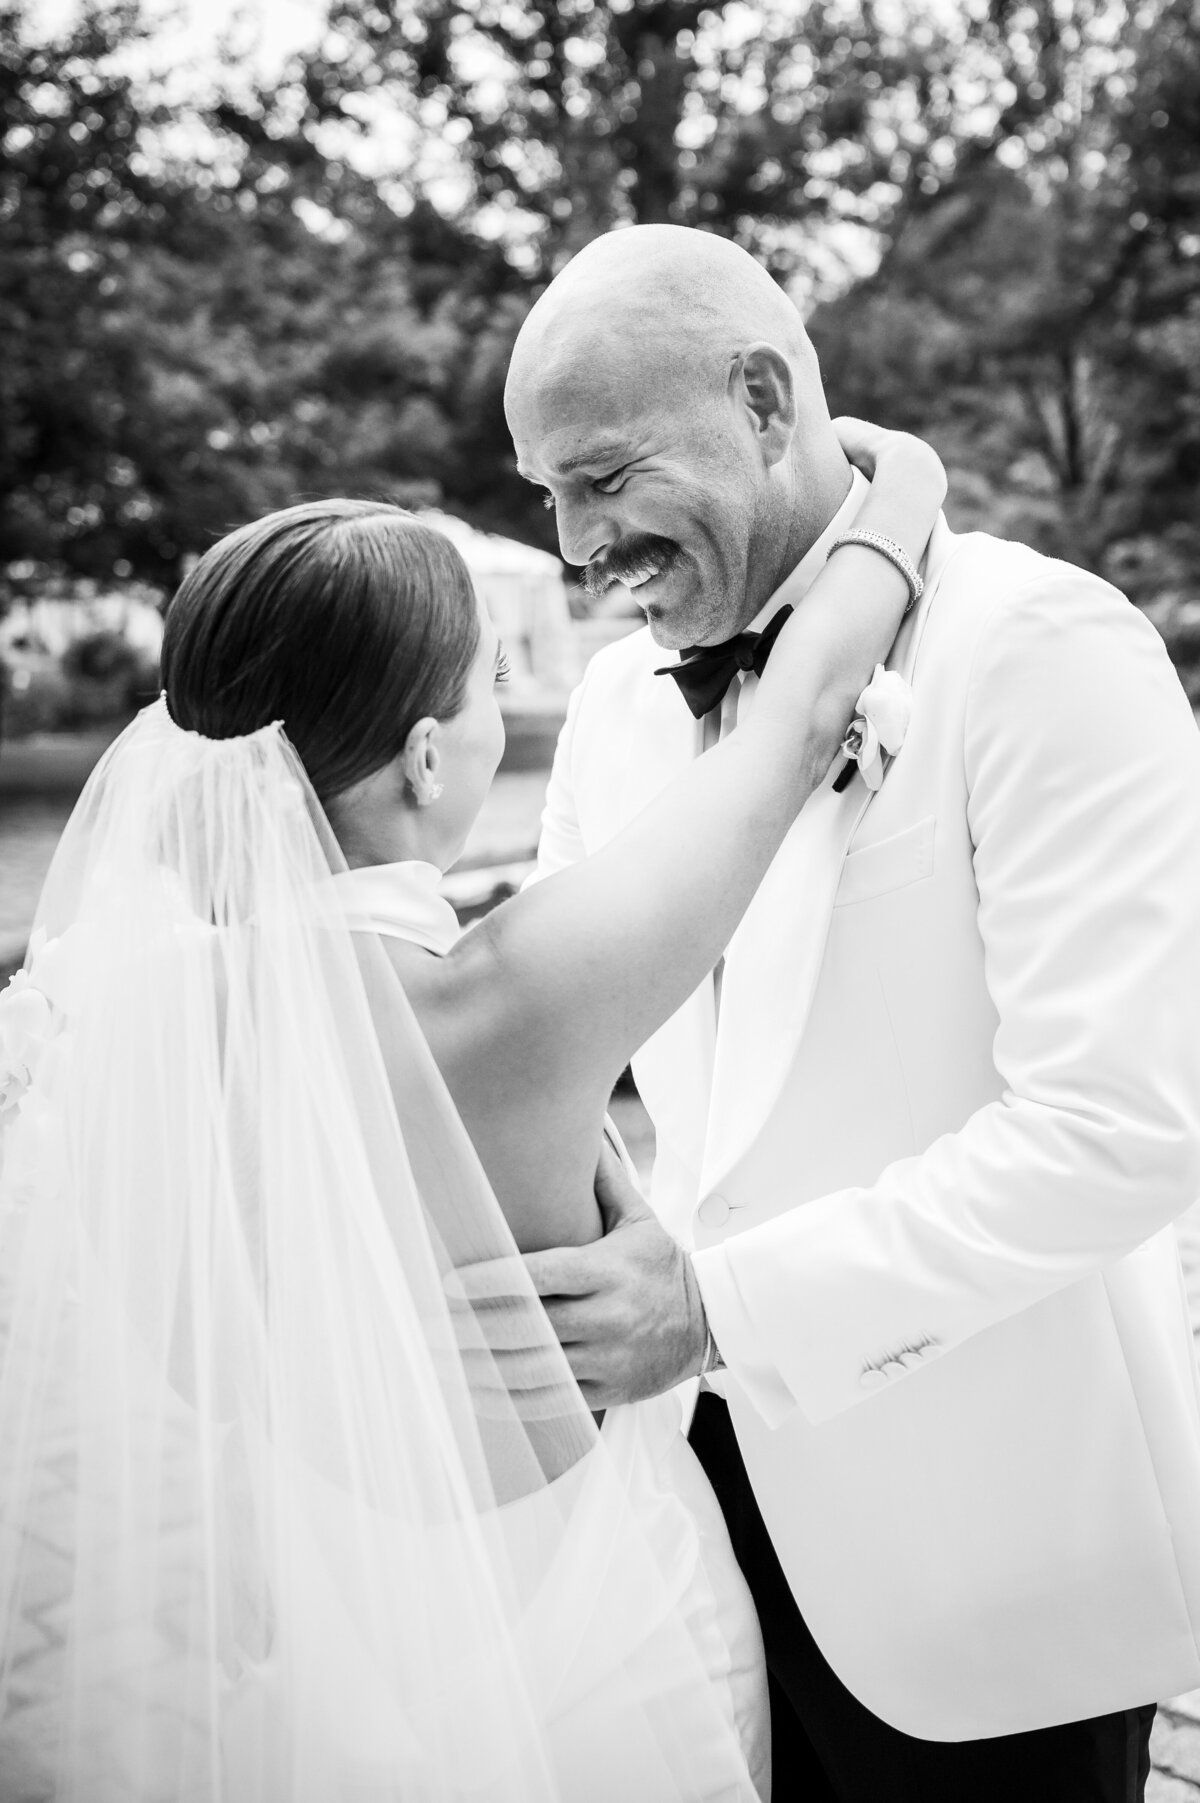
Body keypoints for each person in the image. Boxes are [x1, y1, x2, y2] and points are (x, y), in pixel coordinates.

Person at [0, 424, 944, 1799]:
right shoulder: (515, 996)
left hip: (316, 1651)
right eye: (493, 679)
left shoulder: (94, 1020)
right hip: (591, 1639)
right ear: (432, 760)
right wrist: (900, 479)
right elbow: (802, 718)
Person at [506, 222, 1200, 1803]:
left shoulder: (1043, 652)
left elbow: (1123, 1131)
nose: (573, 548)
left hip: (984, 1556)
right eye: (546, 497)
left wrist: (712, 1309)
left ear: (763, 398)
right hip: (704, 1529)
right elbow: (568, 1037)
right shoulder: (620, 703)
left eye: (605, 478)